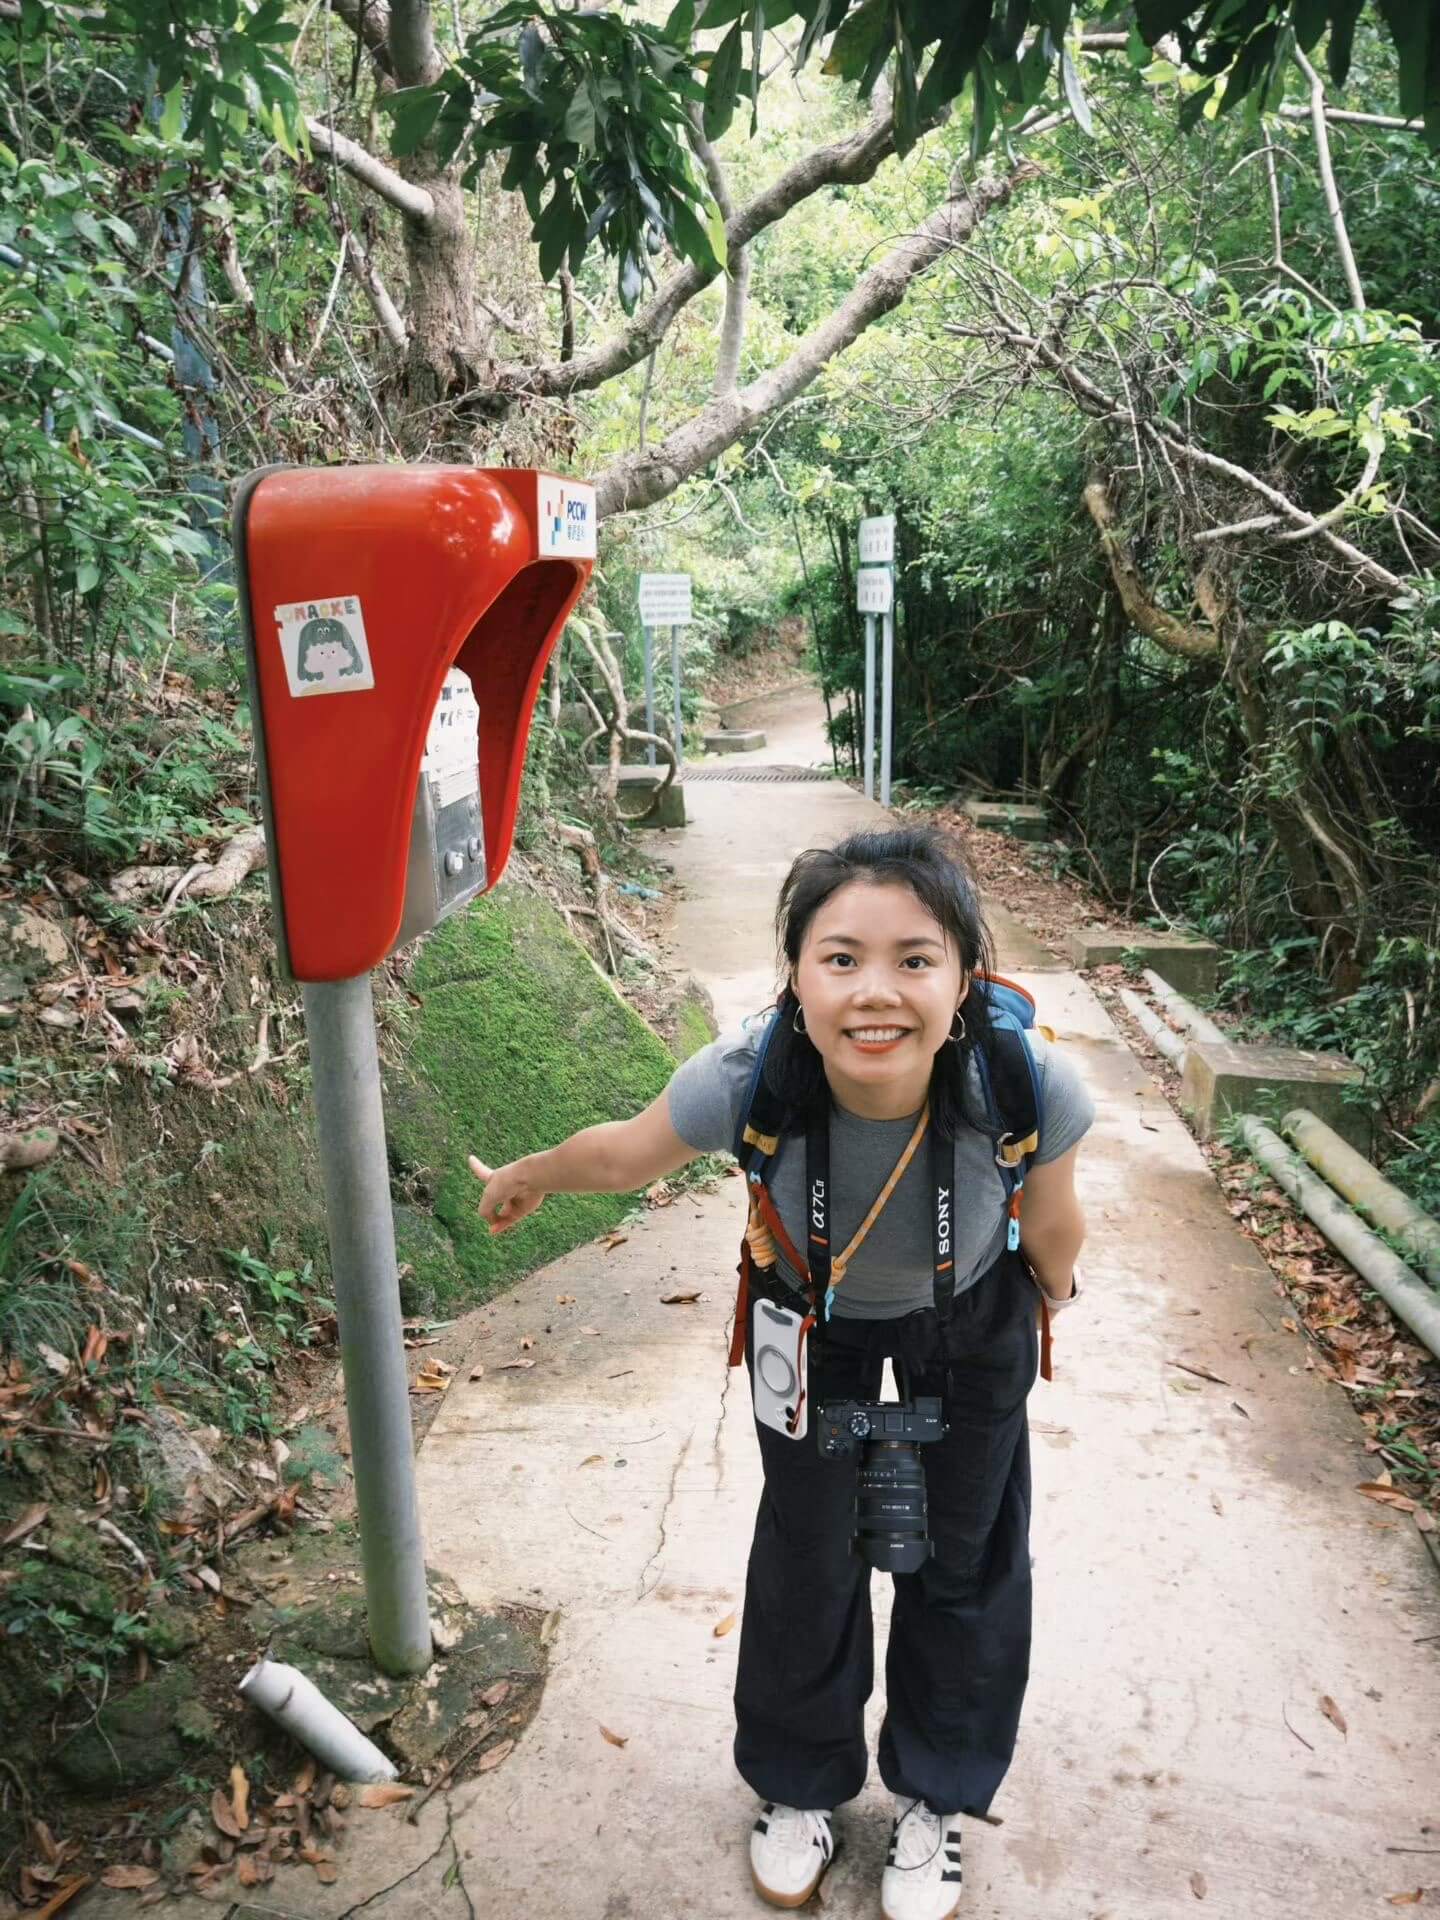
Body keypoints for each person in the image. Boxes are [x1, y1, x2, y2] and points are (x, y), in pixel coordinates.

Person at [469, 826, 1093, 1920]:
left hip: (969, 1325)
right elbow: (624, 1150)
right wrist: (532, 1174)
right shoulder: (753, 1074)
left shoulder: (1022, 1081)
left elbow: (1054, 1228)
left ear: (965, 975)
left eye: (916, 958)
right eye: (840, 957)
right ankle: (798, 1786)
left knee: (964, 1556)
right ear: (796, 974)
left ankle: (936, 1799)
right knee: (808, 1550)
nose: (876, 993)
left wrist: (1050, 1292)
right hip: (806, 1323)